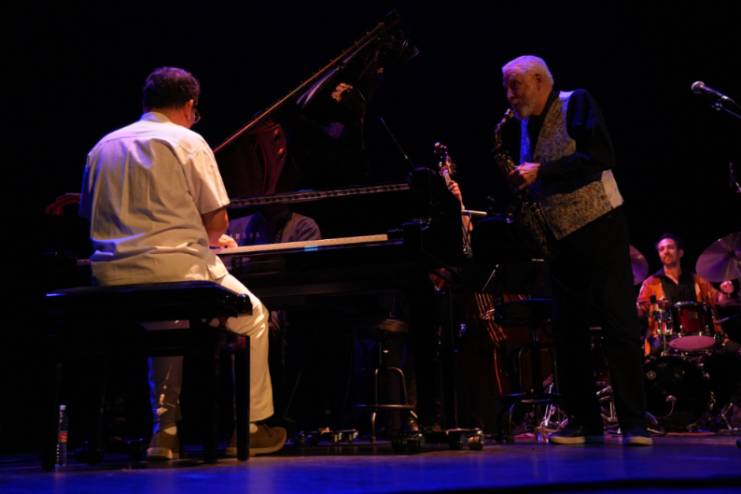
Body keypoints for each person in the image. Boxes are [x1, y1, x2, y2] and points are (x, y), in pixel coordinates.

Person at [79, 66, 286, 460]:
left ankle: (165, 433)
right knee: (254, 315)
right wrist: (211, 240)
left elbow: (89, 217)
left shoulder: (102, 147)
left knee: (166, 323)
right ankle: (250, 427)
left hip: (109, 279)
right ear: (190, 106)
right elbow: (217, 222)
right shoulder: (188, 141)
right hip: (175, 271)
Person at [500, 55, 651, 445]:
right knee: (568, 331)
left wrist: (542, 172)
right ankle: (584, 422)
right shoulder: (525, 123)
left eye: (515, 86)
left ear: (539, 80)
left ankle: (634, 422)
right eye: (507, 88)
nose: (510, 96)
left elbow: (601, 156)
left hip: (599, 224)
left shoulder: (576, 101)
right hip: (558, 237)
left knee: (618, 323)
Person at [637, 233, 735, 354]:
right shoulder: (650, 284)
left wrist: (726, 292)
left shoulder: (698, 279)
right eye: (661, 249)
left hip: (702, 338)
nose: (666, 251)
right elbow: (640, 311)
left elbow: (720, 300)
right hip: (665, 343)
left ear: (680, 253)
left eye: (670, 247)